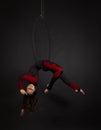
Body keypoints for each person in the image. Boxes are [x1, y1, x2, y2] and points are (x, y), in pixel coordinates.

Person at [18, 60, 85, 116]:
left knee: (59, 71)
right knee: (64, 79)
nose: (30, 87)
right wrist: (78, 88)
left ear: (26, 87)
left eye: (28, 88)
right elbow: (27, 96)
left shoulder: (32, 80)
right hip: (46, 67)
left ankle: (50, 86)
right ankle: (77, 88)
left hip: (42, 64)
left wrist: (21, 88)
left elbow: (21, 77)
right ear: (35, 89)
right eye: (31, 89)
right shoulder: (34, 81)